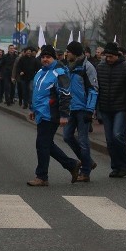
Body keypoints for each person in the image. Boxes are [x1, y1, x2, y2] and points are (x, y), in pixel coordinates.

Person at [27, 45, 81, 186]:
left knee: (42, 144)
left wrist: (64, 115)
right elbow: (36, 92)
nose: (45, 59)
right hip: (41, 113)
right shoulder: (40, 72)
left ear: (54, 57)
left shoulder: (60, 72)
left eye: (48, 57)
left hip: (51, 114)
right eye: (43, 57)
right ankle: (71, 164)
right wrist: (32, 108)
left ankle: (42, 176)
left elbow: (65, 94)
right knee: (46, 144)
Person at [96, 42, 126, 178]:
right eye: (106, 56)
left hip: (121, 108)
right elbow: (97, 89)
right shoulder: (100, 67)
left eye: (111, 56)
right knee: (109, 139)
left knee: (118, 136)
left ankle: (124, 164)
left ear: (117, 55)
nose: (108, 59)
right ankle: (115, 166)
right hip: (105, 108)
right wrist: (96, 109)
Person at [62, 41, 98, 182]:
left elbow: (93, 90)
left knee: (83, 141)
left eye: (69, 51)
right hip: (71, 108)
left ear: (75, 53)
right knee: (67, 136)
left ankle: (85, 172)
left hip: (83, 109)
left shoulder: (87, 67)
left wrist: (90, 110)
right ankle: (87, 160)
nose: (67, 53)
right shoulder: (67, 67)